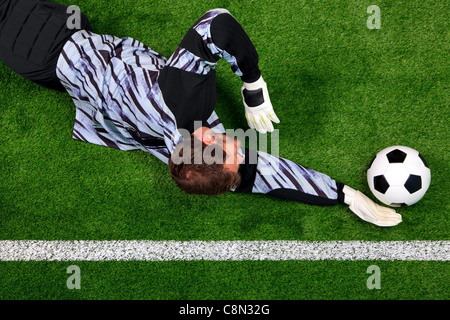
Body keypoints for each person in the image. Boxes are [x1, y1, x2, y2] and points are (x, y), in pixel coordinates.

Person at [0, 0, 402, 227]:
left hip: (46, 48)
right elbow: (258, 177)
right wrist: (338, 194)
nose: (241, 149)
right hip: (49, 51)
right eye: (234, 151)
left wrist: (253, 84)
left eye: (232, 151)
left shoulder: (187, 109)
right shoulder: (181, 152)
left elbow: (218, 23)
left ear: (203, 143)